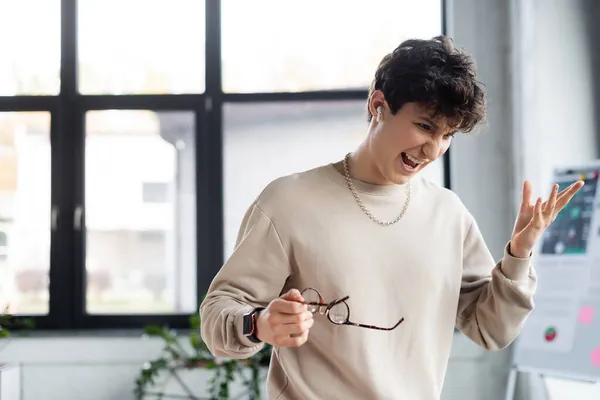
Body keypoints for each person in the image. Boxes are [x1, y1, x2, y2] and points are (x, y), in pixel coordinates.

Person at [199, 35, 583, 400]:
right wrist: (259, 323)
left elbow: (491, 330)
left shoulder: (448, 215)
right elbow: (218, 313)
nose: (433, 150)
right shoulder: (289, 201)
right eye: (425, 126)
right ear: (378, 105)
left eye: (448, 135)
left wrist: (519, 253)